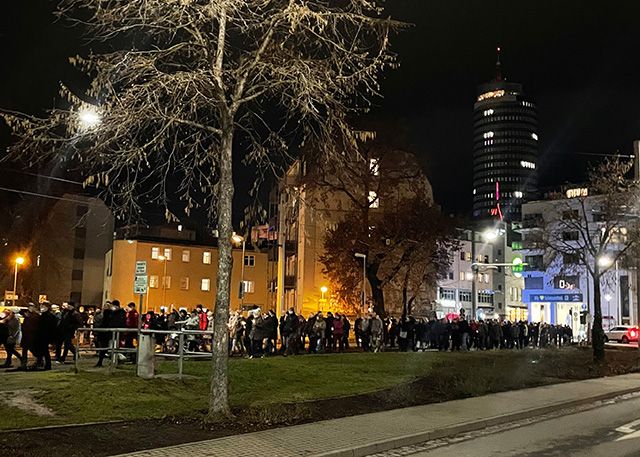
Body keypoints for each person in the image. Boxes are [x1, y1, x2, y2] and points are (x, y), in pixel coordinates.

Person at [35, 302, 58, 370]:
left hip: (45, 336)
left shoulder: (50, 316)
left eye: (43, 306)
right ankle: (40, 363)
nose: (41, 308)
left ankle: (47, 365)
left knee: (45, 351)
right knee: (41, 350)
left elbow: (52, 328)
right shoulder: (43, 315)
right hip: (42, 336)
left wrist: (52, 339)